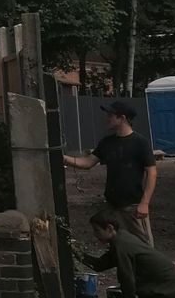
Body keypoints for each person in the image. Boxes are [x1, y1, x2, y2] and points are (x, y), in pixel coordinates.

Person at [64, 100, 157, 243]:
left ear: (122, 118)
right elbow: (88, 162)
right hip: (112, 205)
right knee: (117, 243)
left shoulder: (140, 143)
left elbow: (152, 173)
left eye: (110, 115)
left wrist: (144, 203)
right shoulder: (107, 142)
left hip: (132, 205)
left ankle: (148, 265)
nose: (106, 118)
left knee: (143, 245)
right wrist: (62, 158)